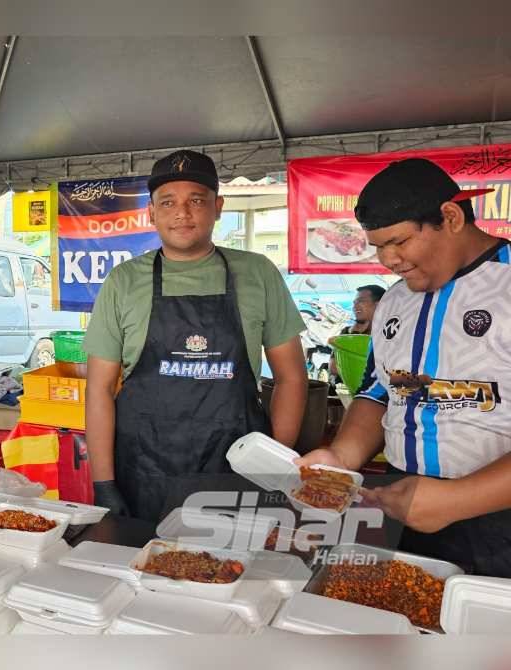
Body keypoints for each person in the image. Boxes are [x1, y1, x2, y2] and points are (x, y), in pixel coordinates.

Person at [298, 158, 511, 577]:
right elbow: (381, 391)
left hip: (498, 522)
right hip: (401, 504)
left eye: (398, 241)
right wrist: (341, 456)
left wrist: (457, 500)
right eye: (377, 246)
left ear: (450, 217)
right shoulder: (395, 299)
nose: (388, 259)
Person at [84, 150, 309, 522]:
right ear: (151, 213)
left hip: (236, 471)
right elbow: (99, 389)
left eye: (196, 200)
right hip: (144, 472)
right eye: (168, 202)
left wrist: (275, 470)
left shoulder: (258, 273)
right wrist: (103, 483)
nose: (182, 213)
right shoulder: (123, 281)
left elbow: (292, 378)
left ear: (218, 207)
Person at [328, 284, 385, 383]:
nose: (354, 306)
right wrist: (354, 334)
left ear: (378, 305)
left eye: (361, 301)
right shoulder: (347, 333)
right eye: (354, 302)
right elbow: (333, 368)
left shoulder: (388, 335)